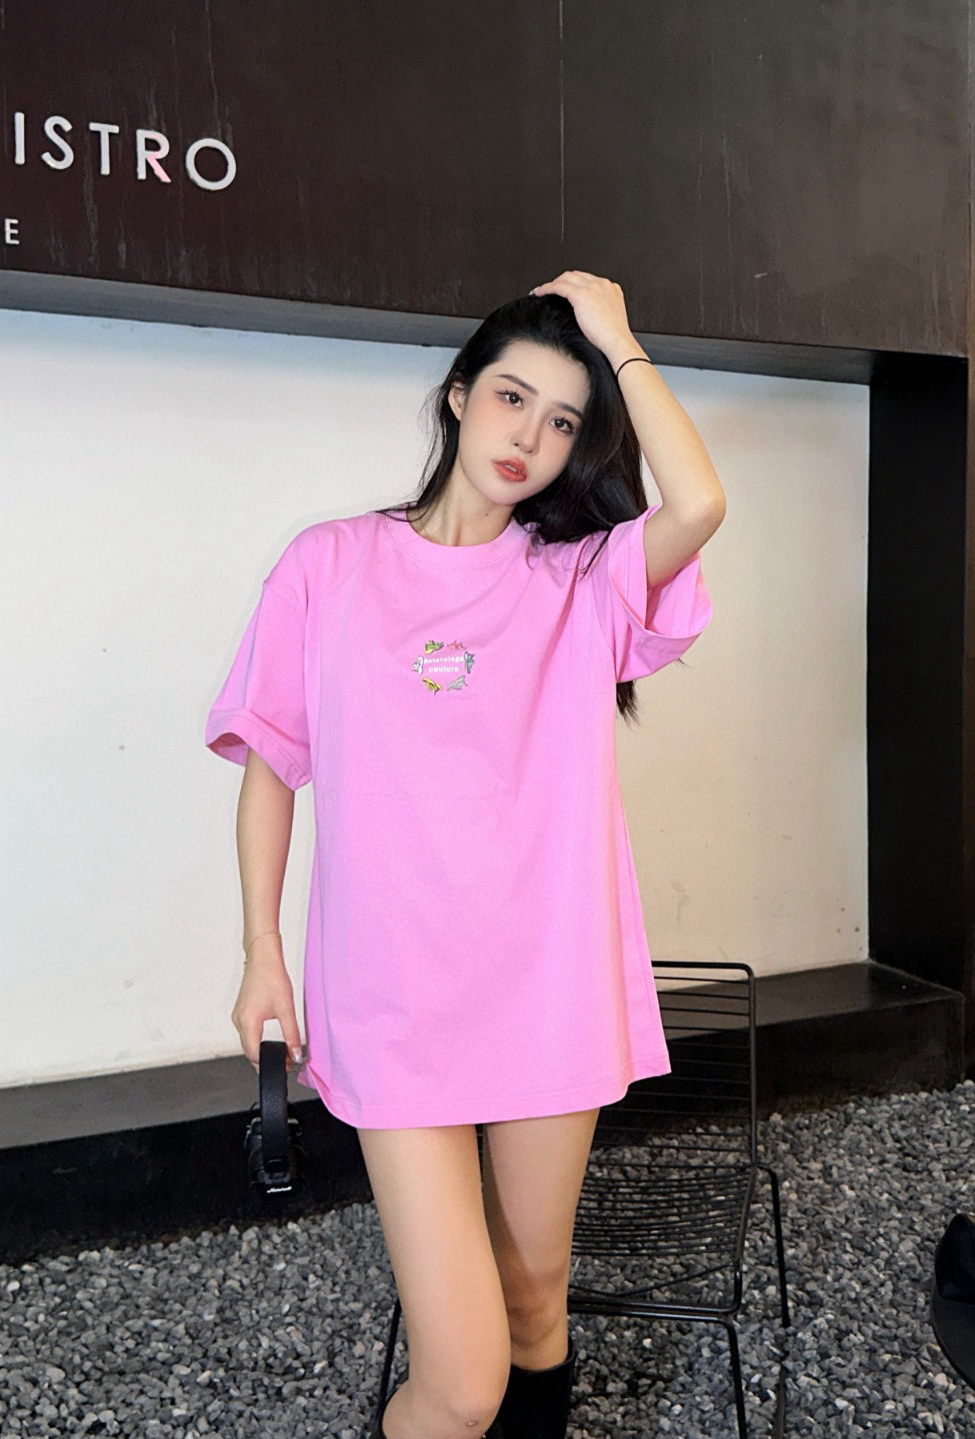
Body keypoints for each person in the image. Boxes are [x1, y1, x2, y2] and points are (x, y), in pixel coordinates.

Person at [205, 272, 726, 1439]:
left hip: (549, 993)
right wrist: (261, 952)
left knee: (537, 1301)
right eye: (511, 396)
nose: (529, 437)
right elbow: (272, 764)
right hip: (394, 1000)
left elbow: (699, 501)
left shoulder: (578, 579)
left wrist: (617, 337)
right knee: (462, 1381)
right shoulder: (329, 564)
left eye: (563, 420)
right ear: (457, 395)